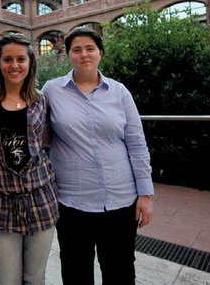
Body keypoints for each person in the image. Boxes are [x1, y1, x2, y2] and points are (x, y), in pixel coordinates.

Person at [41, 27, 154, 285]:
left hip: (120, 201)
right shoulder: (51, 90)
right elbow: (41, 138)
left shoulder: (119, 91)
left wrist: (145, 194)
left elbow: (136, 143)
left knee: (121, 272)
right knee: (75, 272)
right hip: (71, 203)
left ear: (100, 53)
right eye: (76, 50)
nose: (84, 55)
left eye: (90, 48)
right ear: (68, 55)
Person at [0, 33, 59, 285]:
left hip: (41, 200)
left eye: (21, 59)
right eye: (8, 59)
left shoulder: (41, 101)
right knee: (8, 279)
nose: (15, 65)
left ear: (30, 63)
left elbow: (47, 142)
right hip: (2, 203)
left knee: (35, 278)